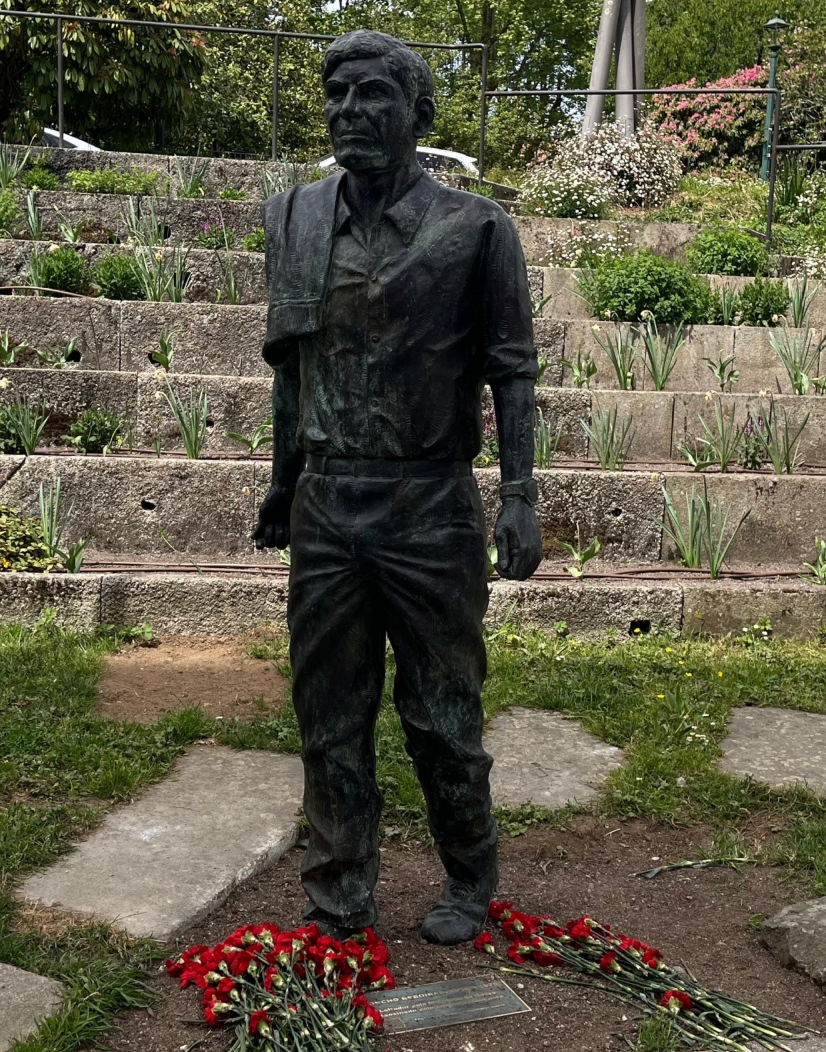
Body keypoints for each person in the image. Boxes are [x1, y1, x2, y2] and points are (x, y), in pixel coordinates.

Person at [253, 28, 542, 947]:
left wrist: (520, 494)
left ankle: (470, 873)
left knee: (442, 713)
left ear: (419, 113)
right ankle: (339, 892)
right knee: (329, 713)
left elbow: (512, 369)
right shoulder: (296, 219)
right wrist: (283, 482)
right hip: (329, 504)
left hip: (430, 504)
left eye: (372, 94)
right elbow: (294, 368)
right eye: (337, 95)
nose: (350, 111)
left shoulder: (476, 228)